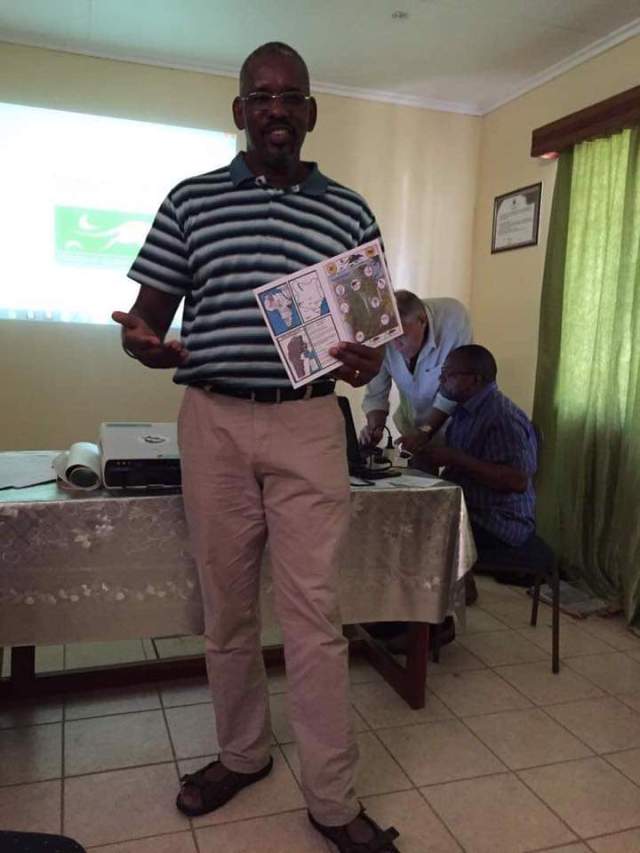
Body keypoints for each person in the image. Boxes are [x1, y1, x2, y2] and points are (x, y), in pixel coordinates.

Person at [112, 42, 400, 853]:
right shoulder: (190, 201)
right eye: (262, 96)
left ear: (311, 112)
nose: (277, 109)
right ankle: (243, 754)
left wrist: (367, 360)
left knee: (315, 614)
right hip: (213, 421)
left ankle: (332, 799)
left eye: (291, 96)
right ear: (240, 112)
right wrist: (143, 344)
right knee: (227, 604)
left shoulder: (349, 212)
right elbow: (146, 320)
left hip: (309, 424)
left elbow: (371, 339)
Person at [413, 344, 538, 563]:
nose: (441, 380)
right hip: (470, 509)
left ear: (474, 380)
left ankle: (447, 583)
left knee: (412, 526)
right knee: (409, 510)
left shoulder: (502, 417)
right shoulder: (464, 410)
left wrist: (455, 458)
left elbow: (517, 481)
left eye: (449, 375)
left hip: (497, 522)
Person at [360, 290, 472, 451]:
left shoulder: (453, 320)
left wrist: (423, 433)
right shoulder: (381, 333)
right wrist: (375, 428)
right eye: (390, 338)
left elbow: (451, 393)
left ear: (422, 320)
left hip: (455, 432)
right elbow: (376, 393)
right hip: (412, 426)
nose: (395, 345)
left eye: (401, 336)